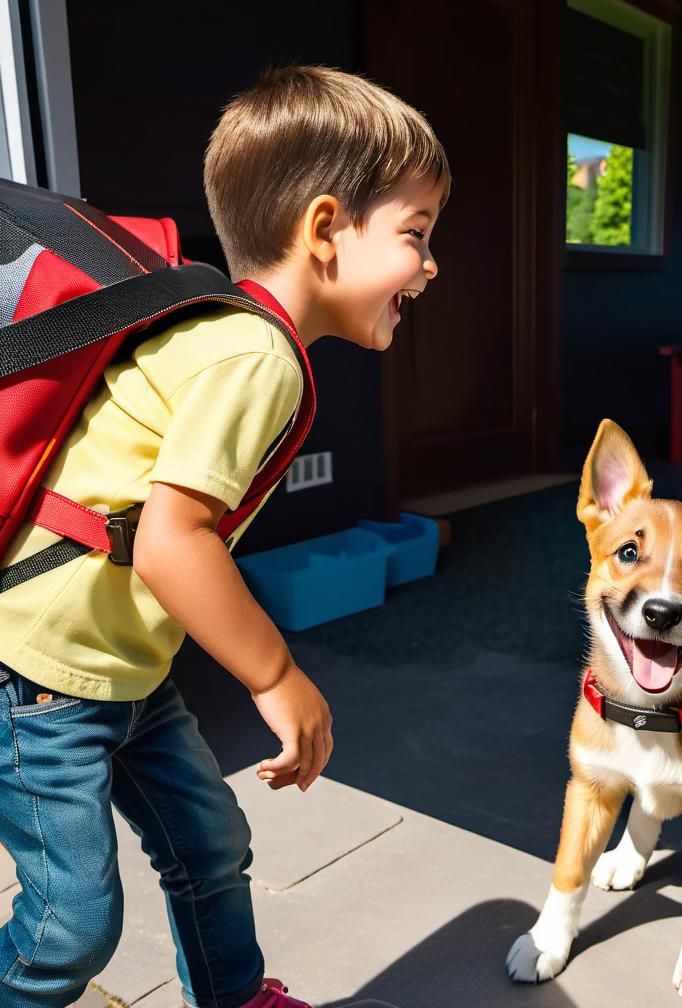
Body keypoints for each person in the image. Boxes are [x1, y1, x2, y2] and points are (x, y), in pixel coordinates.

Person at [0, 65, 448, 1008]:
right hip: (43, 682)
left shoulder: (226, 331)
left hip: (122, 667)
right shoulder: (256, 355)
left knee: (210, 844)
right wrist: (277, 677)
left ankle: (237, 995)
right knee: (69, 925)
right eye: (416, 234)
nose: (430, 264)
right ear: (326, 229)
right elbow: (173, 541)